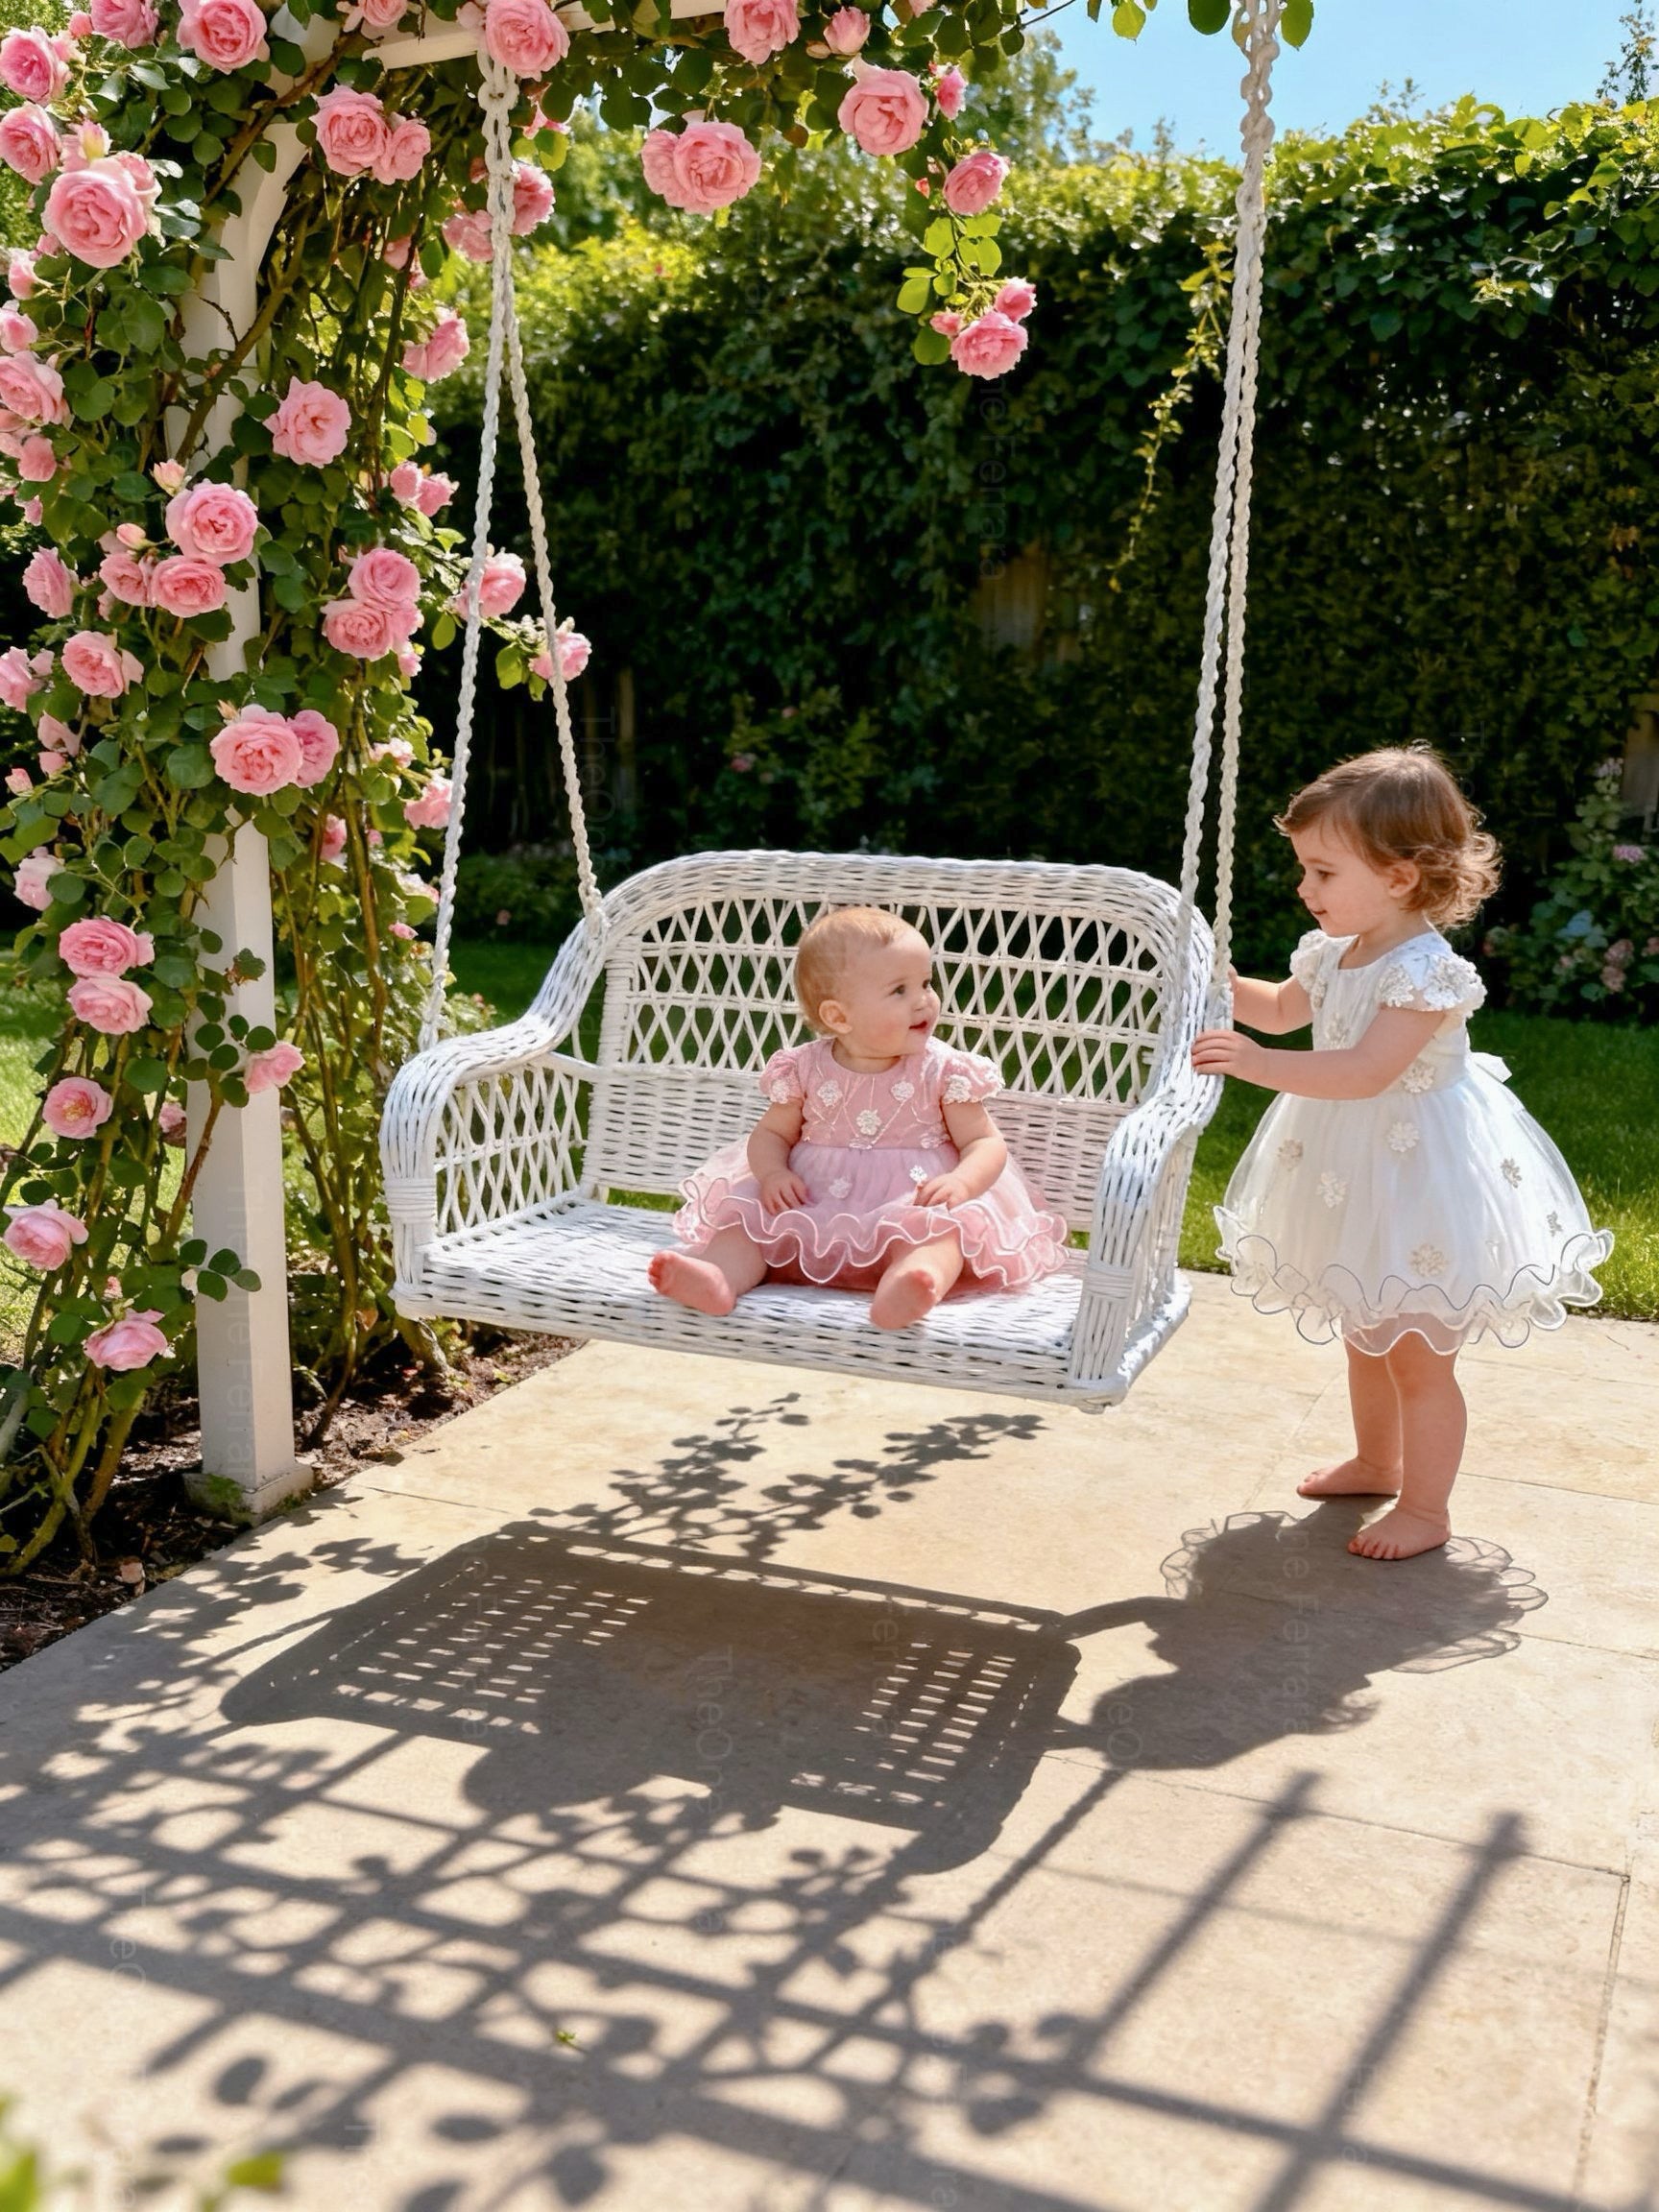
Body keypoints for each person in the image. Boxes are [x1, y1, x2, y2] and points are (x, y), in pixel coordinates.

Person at [1191, 746, 1612, 1561]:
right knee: (1364, 1327)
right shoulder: (1333, 952)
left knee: (1417, 1354)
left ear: (1400, 876)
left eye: (1323, 872)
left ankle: (1425, 1508)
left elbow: (1364, 1070)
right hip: (1353, 1166)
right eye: (1304, 869)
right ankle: (1376, 1462)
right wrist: (1223, 983)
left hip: (1420, 1172)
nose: (1305, 888)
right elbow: (1279, 1010)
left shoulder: (1425, 972)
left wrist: (1257, 1065)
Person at [648, 904, 1070, 1329]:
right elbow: (772, 1134)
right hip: (812, 1203)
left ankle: (910, 1284)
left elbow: (983, 1141)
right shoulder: (804, 1068)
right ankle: (717, 1277)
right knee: (748, 1226)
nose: (923, 1000)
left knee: (939, 1235)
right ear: (838, 1016)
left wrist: (963, 1182)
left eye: (925, 983)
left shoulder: (942, 1069)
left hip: (910, 1198)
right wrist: (773, 1174)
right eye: (899, 990)